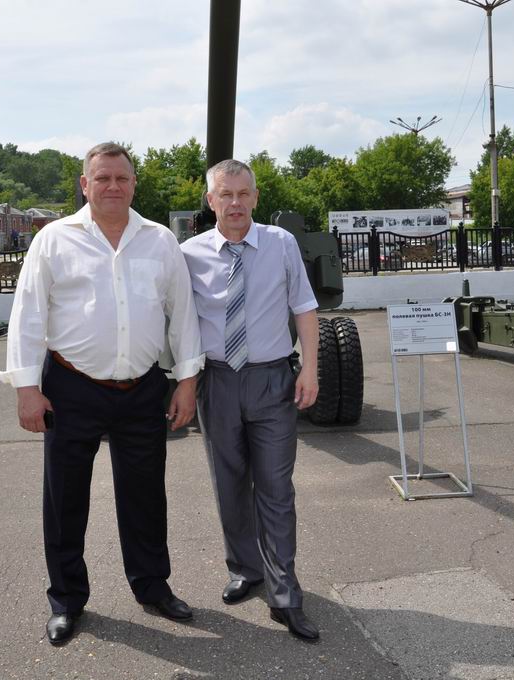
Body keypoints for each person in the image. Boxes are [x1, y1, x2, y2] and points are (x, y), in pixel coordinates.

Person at [0, 142, 204, 646]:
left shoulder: (159, 241)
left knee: (145, 497)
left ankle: (152, 586)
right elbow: (28, 315)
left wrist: (187, 382)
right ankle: (67, 600)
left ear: (134, 185)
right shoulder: (54, 240)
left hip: (142, 389)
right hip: (71, 389)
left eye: (122, 178)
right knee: (65, 499)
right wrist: (27, 389)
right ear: (85, 185)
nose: (113, 186)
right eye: (103, 178)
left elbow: (183, 314)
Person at [180, 159, 322, 641]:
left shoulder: (281, 243)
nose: (235, 203)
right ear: (211, 200)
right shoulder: (189, 254)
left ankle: (285, 595)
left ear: (256, 198)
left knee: (276, 489)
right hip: (217, 381)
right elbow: (179, 320)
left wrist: (310, 369)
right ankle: (245, 568)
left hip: (271, 381)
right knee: (229, 483)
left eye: (243, 194)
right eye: (226, 194)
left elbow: (304, 307)